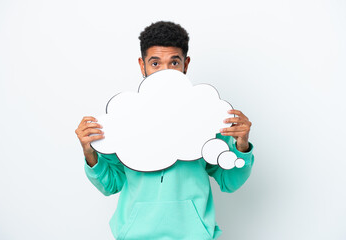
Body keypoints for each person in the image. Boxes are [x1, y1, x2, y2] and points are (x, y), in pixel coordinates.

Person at [75, 21, 254, 240]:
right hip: (135, 235)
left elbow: (230, 181)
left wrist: (242, 146)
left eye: (174, 62)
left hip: (193, 235)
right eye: (155, 63)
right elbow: (110, 184)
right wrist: (89, 152)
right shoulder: (123, 118)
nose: (165, 72)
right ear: (142, 65)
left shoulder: (206, 115)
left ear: (185, 64)